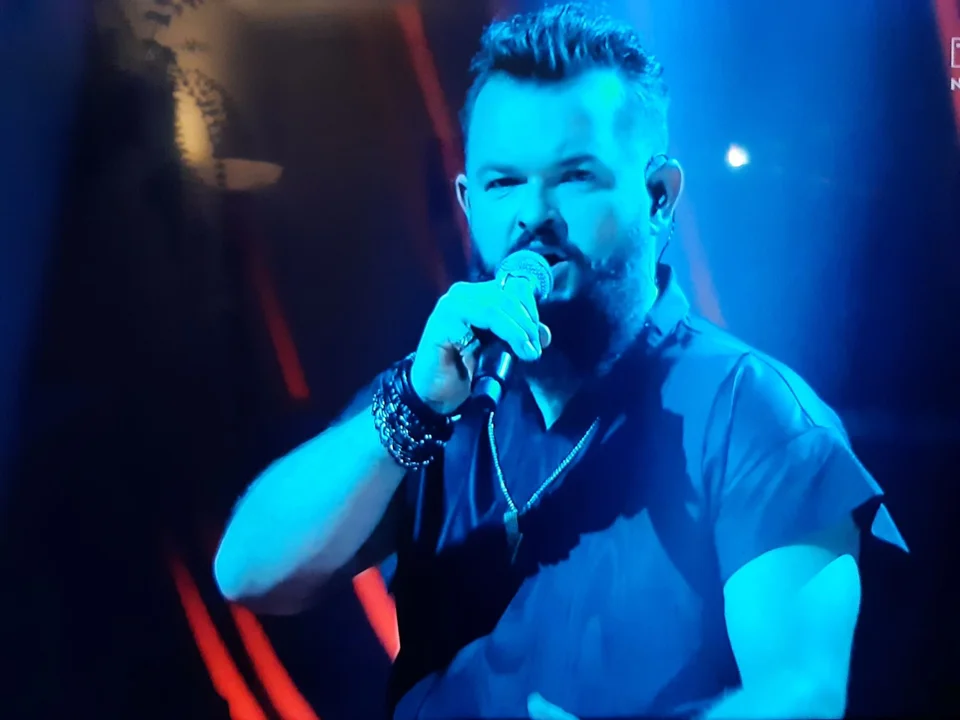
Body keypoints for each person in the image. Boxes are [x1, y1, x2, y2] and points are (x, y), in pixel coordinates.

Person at [213, 4, 906, 718]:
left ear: (658, 197)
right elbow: (248, 575)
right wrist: (413, 408)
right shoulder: (433, 396)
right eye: (503, 183)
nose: (533, 213)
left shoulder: (750, 410)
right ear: (466, 202)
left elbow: (801, 695)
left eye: (575, 176)